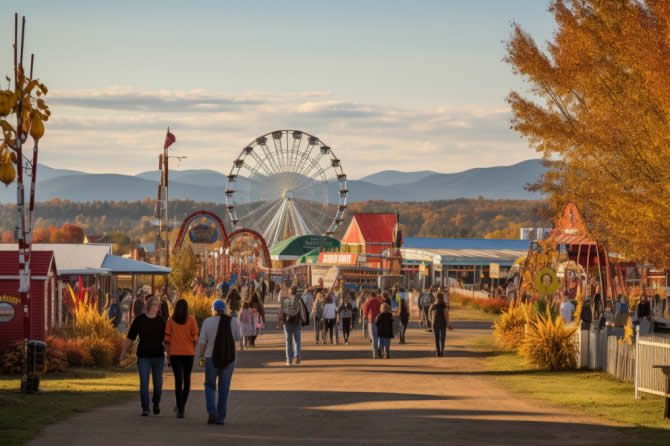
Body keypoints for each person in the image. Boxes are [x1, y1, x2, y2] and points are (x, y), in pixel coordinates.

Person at [121, 296, 166, 417]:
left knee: (158, 384)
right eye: (155, 304)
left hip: (158, 356)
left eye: (158, 305)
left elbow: (166, 340)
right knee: (144, 383)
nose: (157, 307)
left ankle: (156, 403)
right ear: (149, 305)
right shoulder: (139, 320)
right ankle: (145, 408)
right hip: (143, 356)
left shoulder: (161, 321)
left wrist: (169, 353)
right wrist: (123, 353)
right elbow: (130, 337)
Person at [198, 300, 239, 425]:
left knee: (210, 385)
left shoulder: (207, 322)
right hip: (228, 358)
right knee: (224, 388)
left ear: (213, 309)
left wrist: (201, 356)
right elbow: (238, 337)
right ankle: (221, 417)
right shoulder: (232, 321)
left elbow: (202, 342)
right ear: (225, 309)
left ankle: (212, 412)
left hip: (211, 358)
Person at [164, 299, 199, 419]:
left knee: (178, 381)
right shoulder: (191, 320)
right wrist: (192, 348)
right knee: (187, 380)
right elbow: (195, 338)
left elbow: (167, 340)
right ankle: (182, 405)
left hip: (175, 354)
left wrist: (168, 356)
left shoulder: (170, 321)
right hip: (189, 353)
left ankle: (180, 408)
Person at [280, 286, 307, 365]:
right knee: (297, 341)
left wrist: (282, 322)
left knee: (288, 342)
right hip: (297, 323)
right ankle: (297, 356)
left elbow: (282, 312)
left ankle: (289, 360)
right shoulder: (299, 300)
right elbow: (302, 312)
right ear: (296, 292)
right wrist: (303, 321)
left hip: (287, 324)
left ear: (289, 292)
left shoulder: (285, 300)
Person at [362, 291, 383, 358]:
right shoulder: (380, 302)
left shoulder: (369, 301)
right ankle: (380, 349)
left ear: (370, 296)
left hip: (371, 320)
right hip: (379, 321)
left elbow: (365, 308)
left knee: (374, 338)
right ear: (376, 295)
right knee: (379, 337)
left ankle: (375, 353)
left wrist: (365, 315)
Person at [429, 293, 449, 357]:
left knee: (436, 338)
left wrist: (431, 320)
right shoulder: (444, 305)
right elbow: (446, 315)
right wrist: (447, 324)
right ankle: (442, 351)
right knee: (442, 338)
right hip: (443, 323)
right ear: (442, 297)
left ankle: (437, 352)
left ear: (436, 297)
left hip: (435, 323)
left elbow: (429, 312)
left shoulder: (433, 305)